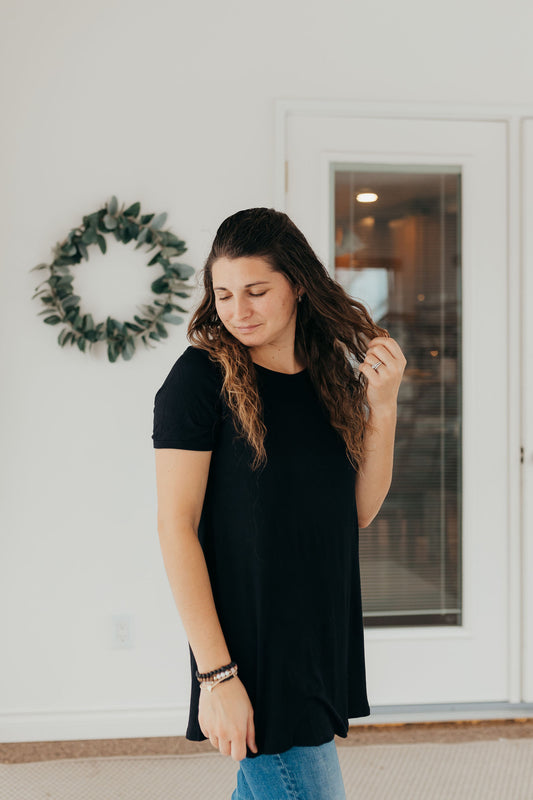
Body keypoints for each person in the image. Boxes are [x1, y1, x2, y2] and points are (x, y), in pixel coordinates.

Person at [152, 207, 407, 799]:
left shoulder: (329, 376)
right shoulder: (198, 380)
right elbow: (175, 527)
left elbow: (357, 511)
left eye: (256, 291)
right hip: (252, 648)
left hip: (316, 631)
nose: (238, 310)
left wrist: (385, 407)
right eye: (223, 293)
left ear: (296, 284)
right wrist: (216, 676)